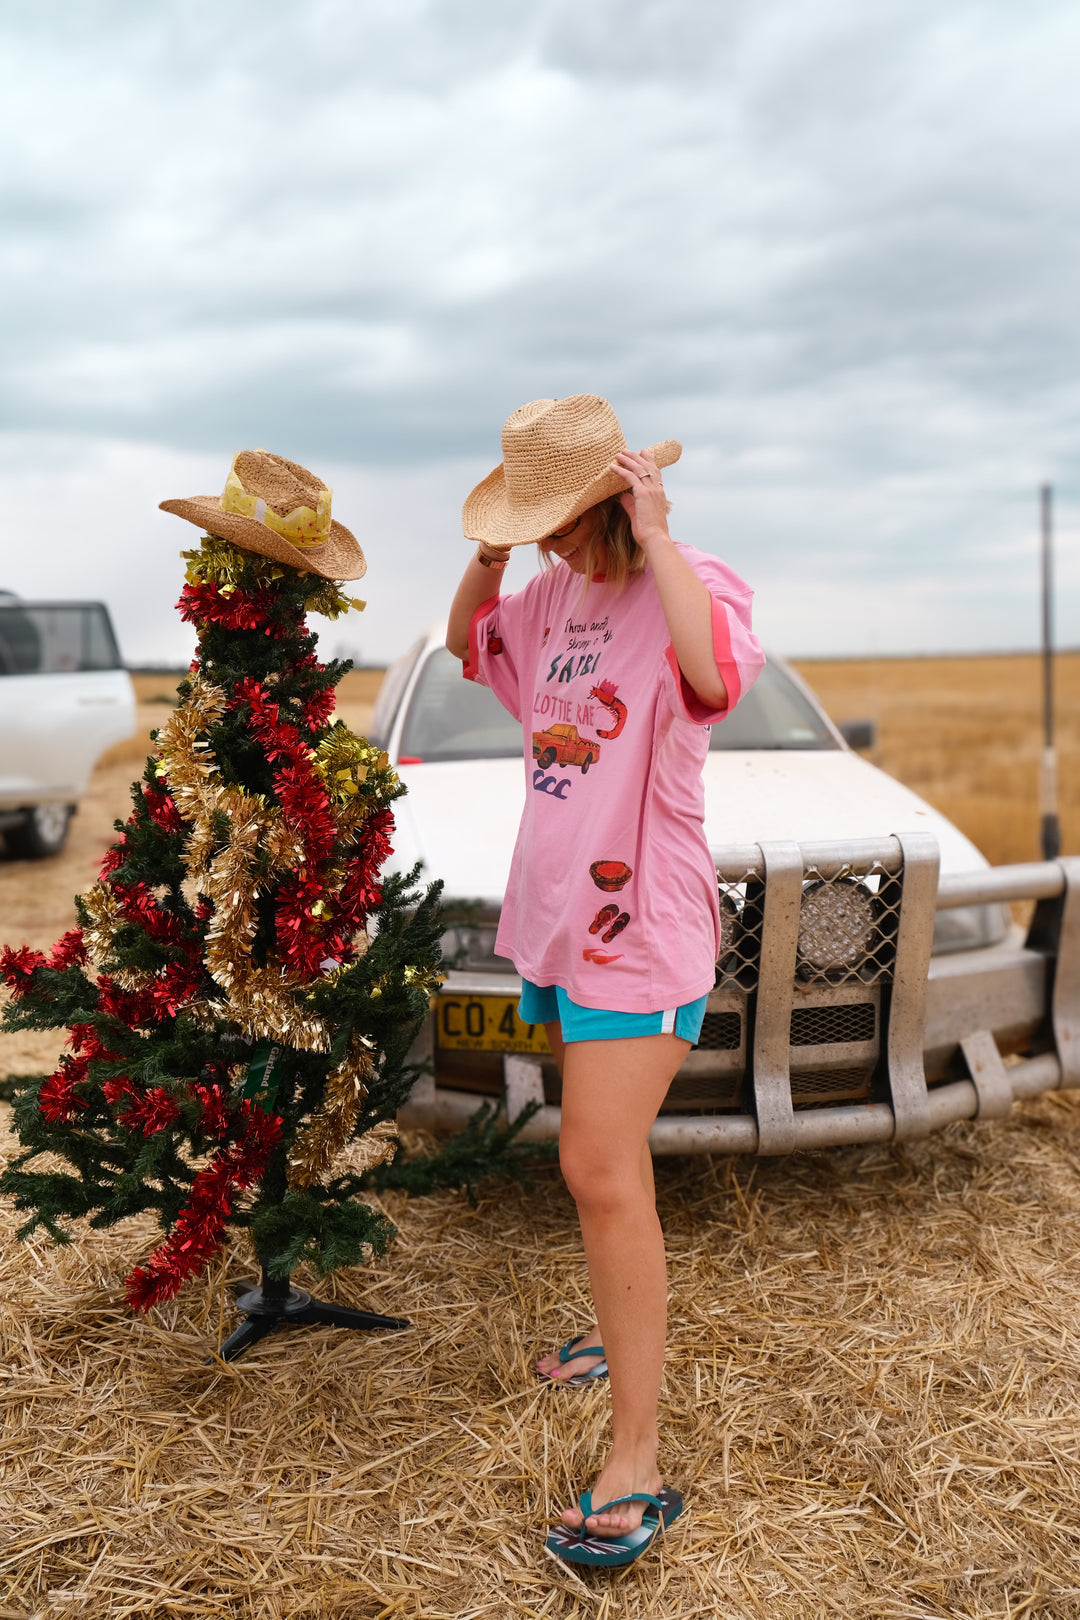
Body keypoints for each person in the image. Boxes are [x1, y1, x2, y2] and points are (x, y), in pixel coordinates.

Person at [446, 395, 764, 1569]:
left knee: (594, 1160)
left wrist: (659, 534)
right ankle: (614, 1333)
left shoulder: (693, 579)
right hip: (566, 922)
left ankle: (639, 1458)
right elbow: (460, 642)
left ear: (612, 500)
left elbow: (712, 675)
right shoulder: (547, 595)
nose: (546, 543)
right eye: (530, 526)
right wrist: (488, 555)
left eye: (559, 521)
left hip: (646, 929)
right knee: (603, 1167)